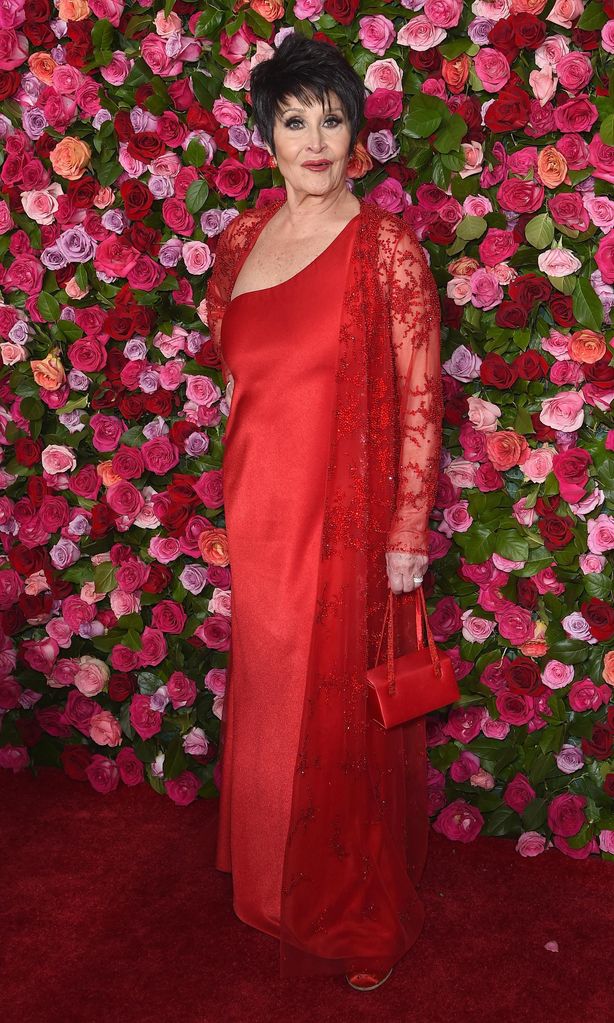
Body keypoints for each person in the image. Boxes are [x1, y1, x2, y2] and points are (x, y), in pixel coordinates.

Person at [206, 32, 443, 991]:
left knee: (339, 707)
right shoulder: (236, 243)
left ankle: (354, 913)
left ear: (357, 136)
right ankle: (271, 880)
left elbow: (421, 391)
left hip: (341, 523)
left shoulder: (386, 248)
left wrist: (405, 534)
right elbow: (236, 384)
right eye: (294, 120)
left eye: (332, 119)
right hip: (256, 507)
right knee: (269, 695)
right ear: (267, 134)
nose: (314, 140)